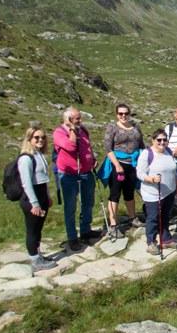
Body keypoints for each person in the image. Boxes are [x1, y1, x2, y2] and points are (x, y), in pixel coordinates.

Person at [53, 107, 98, 251]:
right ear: (68, 119)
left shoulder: (83, 130)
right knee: (70, 206)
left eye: (79, 118)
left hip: (86, 172)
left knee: (88, 202)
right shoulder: (59, 132)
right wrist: (72, 129)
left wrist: (92, 159)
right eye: (77, 118)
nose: (80, 120)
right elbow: (71, 147)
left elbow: (87, 147)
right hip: (68, 174)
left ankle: (85, 230)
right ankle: (72, 237)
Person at [18, 125, 57, 271]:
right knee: (32, 229)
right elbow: (26, 183)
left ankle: (38, 254)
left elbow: (43, 178)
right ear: (29, 139)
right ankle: (34, 260)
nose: (40, 140)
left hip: (41, 195)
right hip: (31, 198)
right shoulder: (26, 158)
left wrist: (47, 197)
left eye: (43, 137)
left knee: (39, 228)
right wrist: (34, 203)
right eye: (36, 137)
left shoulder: (39, 155)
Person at [103, 103, 145, 238]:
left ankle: (133, 218)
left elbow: (141, 145)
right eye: (120, 113)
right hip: (118, 163)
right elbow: (108, 148)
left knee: (129, 192)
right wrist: (117, 165)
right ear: (117, 114)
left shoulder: (136, 127)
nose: (123, 116)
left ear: (129, 113)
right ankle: (113, 224)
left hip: (133, 164)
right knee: (114, 194)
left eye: (126, 113)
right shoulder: (112, 128)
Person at [136, 129, 177, 255]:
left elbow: (173, 171)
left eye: (164, 140)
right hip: (153, 193)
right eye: (159, 140)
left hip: (169, 191)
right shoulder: (146, 154)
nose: (162, 142)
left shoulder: (169, 151)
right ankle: (151, 242)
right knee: (153, 218)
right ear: (153, 141)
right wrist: (151, 179)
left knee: (165, 216)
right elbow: (140, 173)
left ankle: (165, 239)